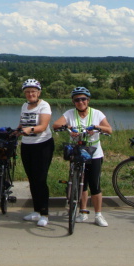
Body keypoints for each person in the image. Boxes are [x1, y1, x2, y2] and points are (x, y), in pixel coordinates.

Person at [52, 86, 113, 227]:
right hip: (78, 153)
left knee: (95, 184)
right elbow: (56, 125)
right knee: (81, 183)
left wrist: (97, 127)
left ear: (88, 100)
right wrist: (68, 128)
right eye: (77, 100)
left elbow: (109, 129)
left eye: (83, 99)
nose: (80, 102)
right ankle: (83, 211)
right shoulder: (70, 113)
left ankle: (98, 214)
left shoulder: (97, 113)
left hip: (95, 154)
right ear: (73, 102)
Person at [17, 78, 53, 227]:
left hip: (42, 145)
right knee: (32, 179)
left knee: (40, 179)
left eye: (33, 91)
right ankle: (36, 211)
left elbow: (43, 126)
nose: (30, 94)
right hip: (27, 145)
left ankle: (44, 213)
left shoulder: (44, 106)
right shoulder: (24, 106)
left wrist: (30, 130)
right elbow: (22, 123)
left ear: (38, 92)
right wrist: (15, 131)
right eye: (27, 92)